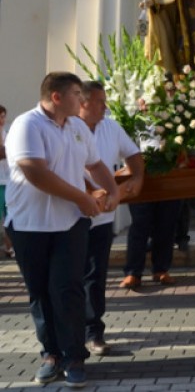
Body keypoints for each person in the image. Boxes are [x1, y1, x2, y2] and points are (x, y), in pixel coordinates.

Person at [4, 72, 119, 388]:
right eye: (76, 94)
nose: (82, 100)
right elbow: (34, 172)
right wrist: (83, 196)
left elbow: (95, 165)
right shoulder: (27, 125)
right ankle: (50, 355)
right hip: (30, 225)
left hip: (70, 223)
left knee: (67, 288)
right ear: (56, 96)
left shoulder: (78, 126)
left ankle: (74, 357)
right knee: (40, 291)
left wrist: (113, 191)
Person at [78, 81, 145, 356]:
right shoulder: (68, 127)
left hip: (103, 217)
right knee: (69, 277)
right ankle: (67, 336)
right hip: (70, 216)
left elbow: (133, 153)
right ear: (82, 103)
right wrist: (91, 192)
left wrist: (137, 177)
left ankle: (94, 332)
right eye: (100, 101)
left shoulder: (111, 126)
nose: (105, 106)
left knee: (95, 276)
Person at [0, 104, 12, 258]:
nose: (1, 119)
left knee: (9, 216)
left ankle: (9, 247)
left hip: (8, 180)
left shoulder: (8, 134)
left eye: (3, 116)